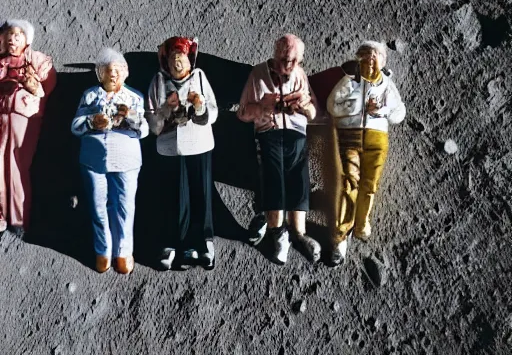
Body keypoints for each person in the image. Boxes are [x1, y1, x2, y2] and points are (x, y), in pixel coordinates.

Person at [238, 34, 321, 264]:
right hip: (269, 133)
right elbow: (242, 113)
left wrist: (305, 107)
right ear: (275, 55)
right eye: (285, 59)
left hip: (297, 135)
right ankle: (279, 233)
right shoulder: (258, 74)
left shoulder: (300, 76)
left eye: (295, 60)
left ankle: (300, 234)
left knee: (300, 179)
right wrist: (263, 107)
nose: (290, 65)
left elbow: (315, 113)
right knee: (274, 178)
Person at [326, 41, 406, 265]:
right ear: (359, 59)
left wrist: (383, 110)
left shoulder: (388, 86)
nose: (371, 60)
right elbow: (332, 106)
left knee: (369, 184)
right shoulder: (348, 82)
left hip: (376, 138)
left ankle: (361, 222)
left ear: (383, 61)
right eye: (367, 56)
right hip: (350, 136)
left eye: (376, 56)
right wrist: (354, 108)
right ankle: (341, 235)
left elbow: (400, 113)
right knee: (349, 183)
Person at [71, 48, 148, 274]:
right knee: (98, 206)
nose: (113, 74)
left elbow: (144, 130)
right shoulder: (89, 96)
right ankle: (103, 249)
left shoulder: (135, 97)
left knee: (125, 207)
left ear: (125, 73)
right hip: (93, 159)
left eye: (117, 70)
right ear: (100, 74)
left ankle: (123, 252)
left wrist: (130, 118)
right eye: (107, 70)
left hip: (127, 159)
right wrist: (92, 122)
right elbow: (74, 127)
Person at [146, 37, 218, 270]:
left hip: (199, 144)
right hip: (170, 148)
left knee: (201, 192)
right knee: (172, 195)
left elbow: (213, 112)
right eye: (173, 59)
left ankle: (203, 243)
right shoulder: (158, 81)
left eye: (181, 59)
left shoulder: (199, 77)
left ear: (190, 61)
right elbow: (151, 121)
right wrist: (167, 109)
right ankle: (171, 243)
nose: (177, 64)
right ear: (165, 61)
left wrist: (199, 106)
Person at [0, 19, 56, 238]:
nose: (12, 40)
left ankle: (19, 216)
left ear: (26, 39)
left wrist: (32, 85)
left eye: (17, 36)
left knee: (15, 166)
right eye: (8, 36)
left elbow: (47, 86)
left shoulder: (37, 60)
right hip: (1, 115)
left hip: (23, 117)